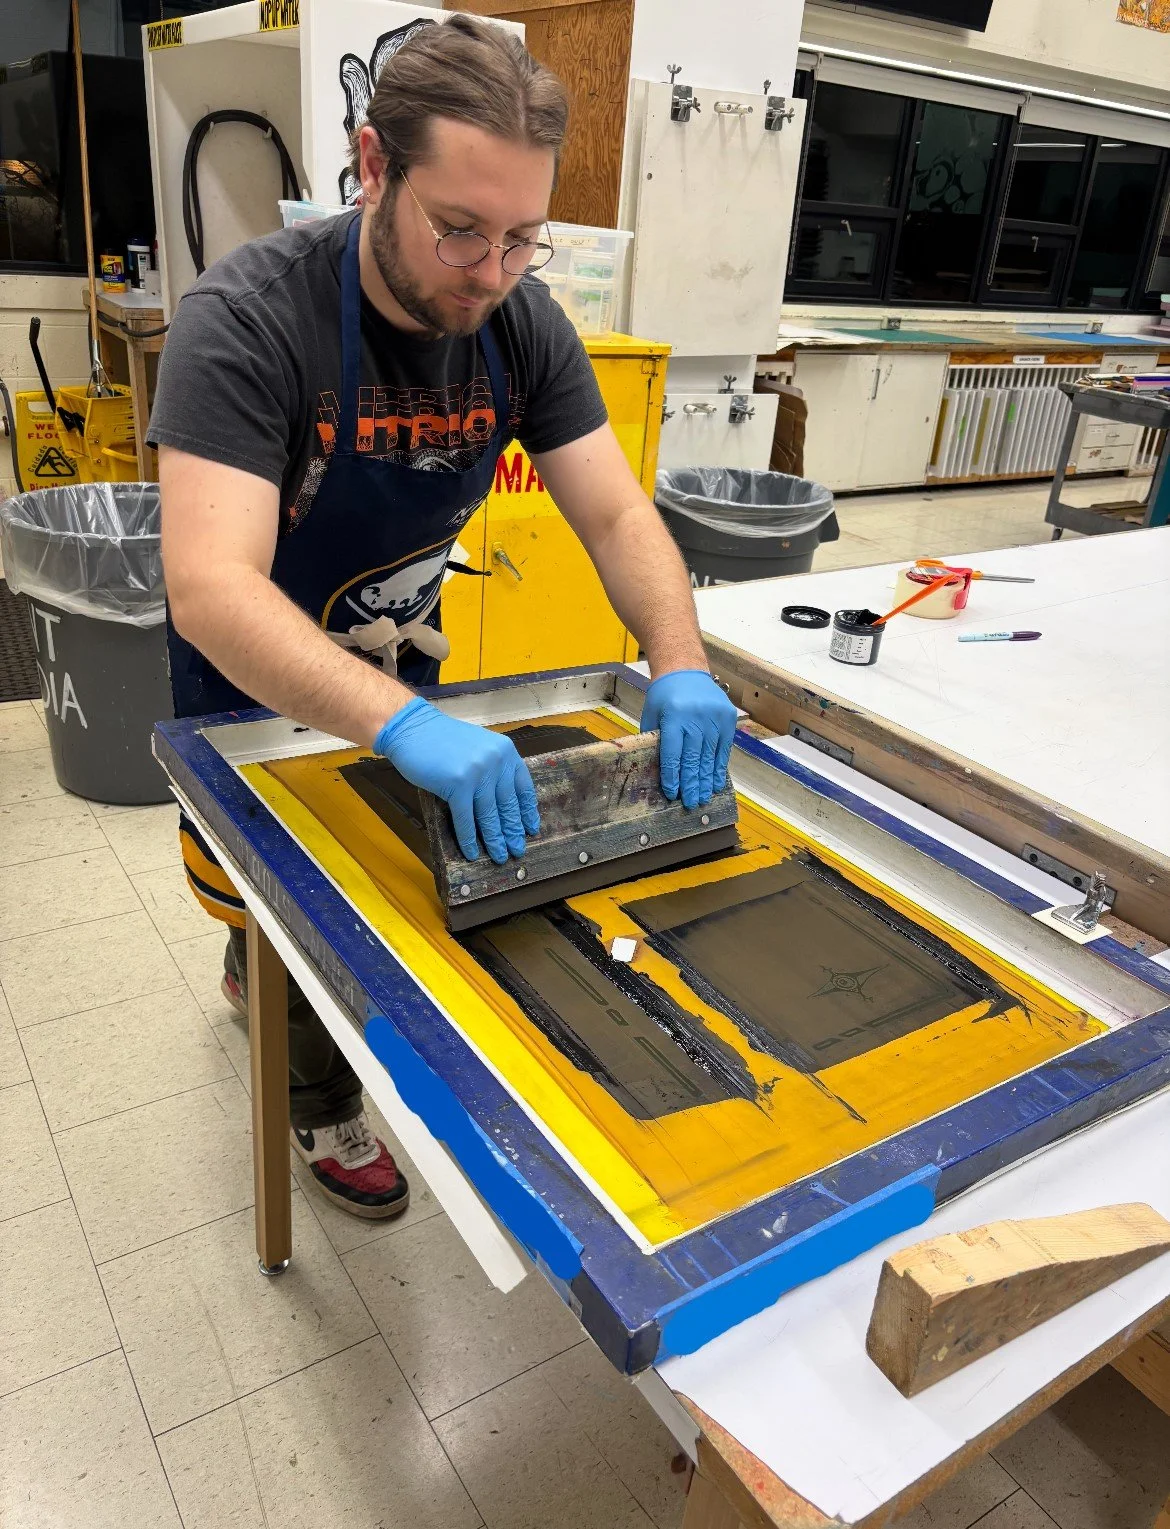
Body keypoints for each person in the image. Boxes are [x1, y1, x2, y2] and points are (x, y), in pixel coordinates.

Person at [150, 15, 737, 1220]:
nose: (491, 270)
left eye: (522, 237)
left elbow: (620, 519)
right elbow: (210, 587)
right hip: (250, 695)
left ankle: (263, 975)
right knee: (289, 910)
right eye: (458, 229)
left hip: (402, 660)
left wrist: (677, 659)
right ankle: (316, 1103)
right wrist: (404, 730)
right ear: (373, 167)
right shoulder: (250, 319)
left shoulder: (518, 324)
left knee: (391, 892)